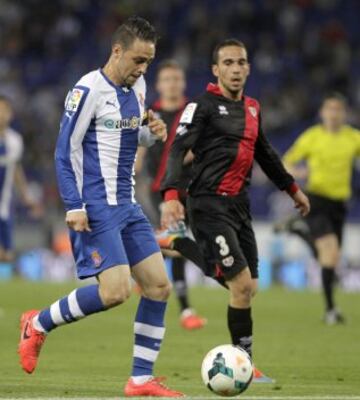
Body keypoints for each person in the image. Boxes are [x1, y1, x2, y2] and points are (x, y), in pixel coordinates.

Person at [18, 17, 184, 398]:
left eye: (149, 62)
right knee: (115, 291)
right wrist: (73, 205)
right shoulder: (87, 89)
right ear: (117, 51)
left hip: (126, 203)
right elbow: (64, 151)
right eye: (138, 60)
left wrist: (150, 132)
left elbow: (128, 135)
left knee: (158, 286)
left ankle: (140, 380)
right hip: (95, 205)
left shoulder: (137, 86)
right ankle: (37, 324)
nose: (143, 69)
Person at [161, 39, 310, 381]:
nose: (236, 69)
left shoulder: (253, 108)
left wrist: (292, 189)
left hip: (239, 207)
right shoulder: (201, 106)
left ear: (249, 68)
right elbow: (177, 147)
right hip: (208, 203)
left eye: (241, 62)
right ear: (216, 69)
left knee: (248, 287)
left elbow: (266, 154)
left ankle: (180, 245)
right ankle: (245, 365)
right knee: (240, 285)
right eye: (228, 62)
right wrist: (171, 195)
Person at [136, 60, 206, 330]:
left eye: (176, 79)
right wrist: (133, 172)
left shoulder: (194, 112)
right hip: (162, 191)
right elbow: (140, 150)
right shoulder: (150, 114)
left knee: (174, 244)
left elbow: (201, 147)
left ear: (183, 83)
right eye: (167, 79)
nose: (172, 84)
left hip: (191, 187)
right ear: (159, 84)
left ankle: (142, 258)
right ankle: (186, 310)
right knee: (177, 242)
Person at [281, 93, 360, 324]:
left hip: (339, 204)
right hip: (316, 200)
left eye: (338, 110)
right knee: (331, 251)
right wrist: (299, 173)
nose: (334, 114)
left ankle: (302, 233)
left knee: (330, 259)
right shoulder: (312, 137)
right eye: (330, 110)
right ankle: (330, 310)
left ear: (344, 114)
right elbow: (287, 162)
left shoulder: (353, 138)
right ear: (322, 113)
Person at [0, 96, 41, 262]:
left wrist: (26, 196)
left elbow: (16, 169)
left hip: (4, 202)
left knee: (7, 255)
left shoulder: (15, 140)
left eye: (4, 110)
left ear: (11, 114)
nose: (1, 114)